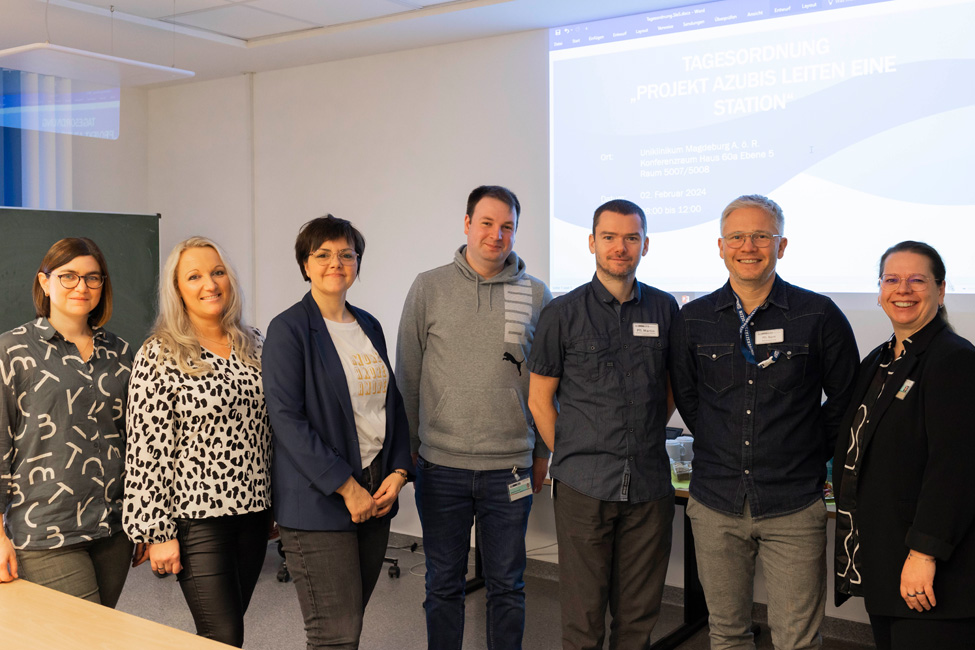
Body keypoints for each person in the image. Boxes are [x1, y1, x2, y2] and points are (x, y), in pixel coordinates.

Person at [669, 194, 860, 650]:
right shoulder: (693, 319)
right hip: (715, 501)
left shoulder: (818, 314)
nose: (748, 246)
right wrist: (720, 441)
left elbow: (847, 398)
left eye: (761, 236)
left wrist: (807, 446)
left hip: (793, 503)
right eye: (737, 236)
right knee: (727, 633)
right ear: (721, 246)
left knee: (797, 640)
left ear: (782, 245)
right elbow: (689, 400)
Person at [396, 185, 552, 649]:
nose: (496, 235)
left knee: (508, 585)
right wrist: (408, 452)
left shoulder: (537, 294)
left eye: (507, 227)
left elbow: (549, 383)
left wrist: (542, 453)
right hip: (441, 466)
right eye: (486, 223)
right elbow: (408, 374)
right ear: (467, 224)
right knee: (443, 583)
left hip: (511, 469)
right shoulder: (429, 287)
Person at [528, 199, 678, 649]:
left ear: (645, 245)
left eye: (631, 238)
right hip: (583, 488)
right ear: (592, 243)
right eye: (609, 237)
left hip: (649, 486)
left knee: (638, 621)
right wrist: (573, 454)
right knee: (583, 619)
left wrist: (640, 438)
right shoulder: (563, 312)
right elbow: (539, 399)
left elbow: (669, 390)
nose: (620, 247)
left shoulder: (665, 309)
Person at [263, 215, 411, 650]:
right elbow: (287, 420)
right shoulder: (289, 329)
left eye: (347, 254)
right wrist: (347, 487)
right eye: (323, 254)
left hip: (376, 492)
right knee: (335, 634)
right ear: (305, 264)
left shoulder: (368, 325)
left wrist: (398, 472)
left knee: (349, 626)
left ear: (358, 263)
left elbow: (391, 403)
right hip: (319, 499)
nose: (336, 263)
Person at [123, 237, 272, 647]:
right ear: (177, 289)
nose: (210, 284)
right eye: (194, 276)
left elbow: (271, 430)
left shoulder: (255, 343)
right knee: (222, 634)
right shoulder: (159, 353)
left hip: (255, 513)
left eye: (217, 272)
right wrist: (156, 532)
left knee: (227, 630)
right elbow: (147, 451)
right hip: (197, 518)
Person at [833, 241, 975, 650]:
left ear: (941, 290)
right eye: (892, 279)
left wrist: (924, 554)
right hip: (886, 558)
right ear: (879, 291)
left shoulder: (953, 359)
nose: (903, 289)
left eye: (917, 280)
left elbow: (955, 469)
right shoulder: (880, 360)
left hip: (930, 568)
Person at [0, 237, 137, 605]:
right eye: (68, 276)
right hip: (46, 529)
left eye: (93, 278)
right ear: (44, 282)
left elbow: (135, 441)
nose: (82, 287)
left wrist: (143, 522)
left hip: (114, 527)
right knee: (85, 631)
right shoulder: (11, 350)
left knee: (97, 626)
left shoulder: (121, 353)